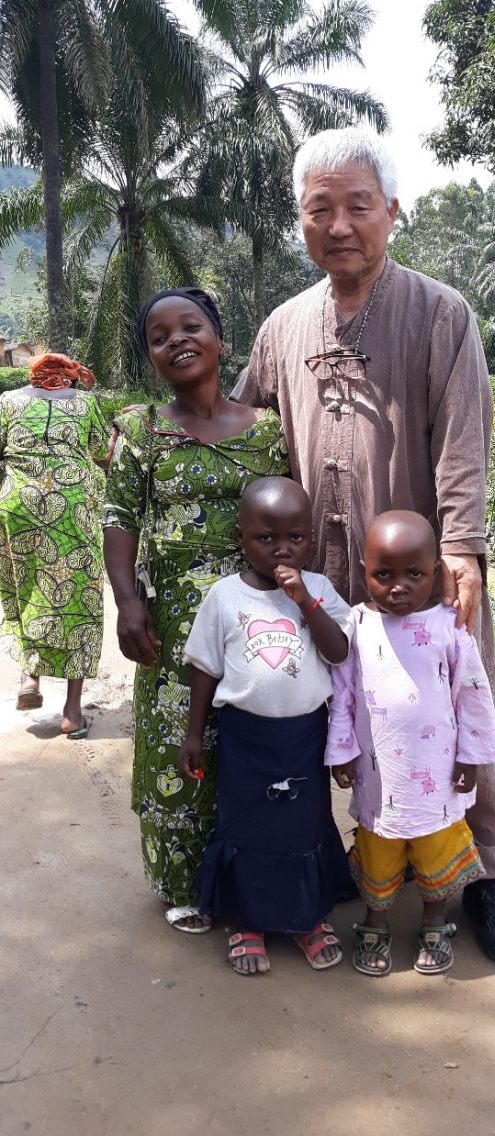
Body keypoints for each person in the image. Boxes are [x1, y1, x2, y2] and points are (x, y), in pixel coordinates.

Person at [232, 127, 495, 962]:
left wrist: (462, 550)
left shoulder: (441, 313)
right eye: (319, 209)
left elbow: (465, 441)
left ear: (391, 213)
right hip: (320, 579)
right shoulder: (283, 327)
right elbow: (246, 433)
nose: (339, 225)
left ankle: (490, 878)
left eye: (358, 207)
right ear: (300, 221)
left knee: (459, 712)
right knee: (327, 728)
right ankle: (329, 867)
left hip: (418, 580)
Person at [103, 288, 288, 934]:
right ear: (152, 357)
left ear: (219, 339)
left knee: (254, 740)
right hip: (175, 620)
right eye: (159, 337)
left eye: (190, 327)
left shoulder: (269, 431)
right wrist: (128, 602)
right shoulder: (139, 431)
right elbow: (120, 519)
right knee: (179, 743)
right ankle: (183, 881)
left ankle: (261, 871)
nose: (176, 340)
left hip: (257, 614)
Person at [178, 476, 354, 975]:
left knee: (302, 828)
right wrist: (194, 735)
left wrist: (305, 602)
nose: (282, 549)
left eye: (295, 538)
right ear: (241, 539)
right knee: (247, 828)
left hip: (303, 736)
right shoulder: (224, 597)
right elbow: (206, 668)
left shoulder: (317, 588)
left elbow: (339, 652)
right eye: (266, 537)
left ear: (311, 540)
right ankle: (247, 922)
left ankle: (307, 919)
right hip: (244, 738)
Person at [327, 511, 495, 976]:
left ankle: (434, 919)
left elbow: (471, 694)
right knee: (379, 844)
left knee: (434, 846)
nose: (398, 586)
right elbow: (342, 693)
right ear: (364, 569)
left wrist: (471, 756)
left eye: (414, 574)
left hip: (438, 770)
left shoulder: (448, 626)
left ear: (437, 573)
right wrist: (341, 750)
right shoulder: (358, 625)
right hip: (378, 774)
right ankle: (376, 919)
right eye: (383, 574)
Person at [0, 352, 110, 736]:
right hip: (72, 508)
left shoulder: (8, 402)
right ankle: (72, 713)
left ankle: (30, 678)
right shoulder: (85, 404)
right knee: (82, 597)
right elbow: (101, 455)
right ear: (70, 378)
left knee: (27, 588)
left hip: (17, 507)